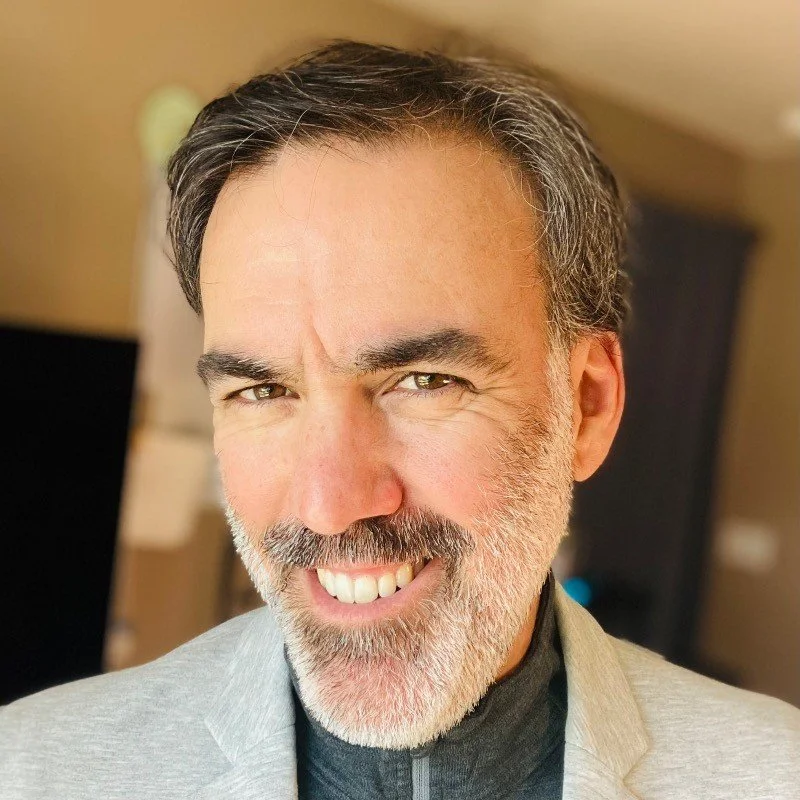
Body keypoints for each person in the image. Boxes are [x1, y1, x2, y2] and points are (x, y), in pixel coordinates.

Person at [2, 41, 798, 800]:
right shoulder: (32, 771)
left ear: (587, 405)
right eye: (262, 391)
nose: (330, 502)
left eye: (422, 381)